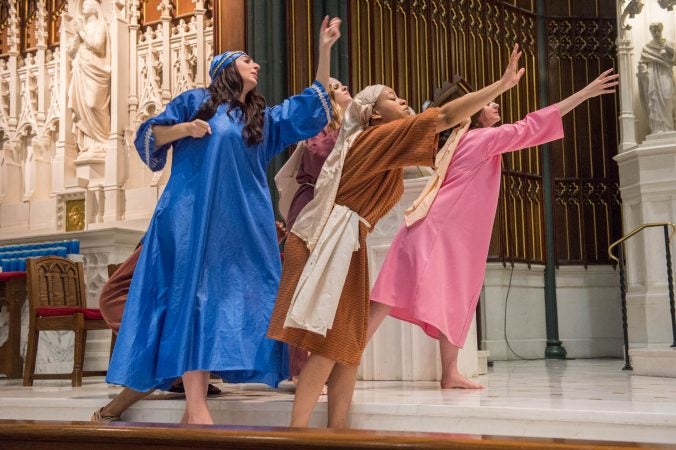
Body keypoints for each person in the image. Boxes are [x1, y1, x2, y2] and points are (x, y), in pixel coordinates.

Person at [268, 45, 527, 429]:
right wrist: (500, 85)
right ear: (373, 114)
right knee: (327, 344)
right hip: (328, 242)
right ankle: (298, 433)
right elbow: (445, 116)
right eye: (391, 97)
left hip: (345, 241)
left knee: (348, 346)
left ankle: (338, 430)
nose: (402, 99)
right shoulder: (375, 138)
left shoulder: (382, 144)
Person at [106, 17, 342, 425]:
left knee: (232, 301)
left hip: (240, 223)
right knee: (192, 301)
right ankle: (195, 408)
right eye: (248, 60)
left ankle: (203, 398)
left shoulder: (261, 119)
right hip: (190, 217)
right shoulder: (196, 101)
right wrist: (186, 128)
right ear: (225, 68)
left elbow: (313, 103)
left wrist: (324, 49)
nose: (257, 65)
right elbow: (148, 136)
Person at [369, 69, 619, 389]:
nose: (494, 106)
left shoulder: (462, 141)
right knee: (389, 296)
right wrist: (585, 92)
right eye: (488, 103)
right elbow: (533, 126)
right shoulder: (481, 139)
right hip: (437, 232)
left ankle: (449, 372)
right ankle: (343, 360)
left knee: (447, 297)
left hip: (442, 233)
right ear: (473, 113)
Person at [275, 78, 352, 383]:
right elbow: (320, 157)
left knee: (333, 288)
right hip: (311, 209)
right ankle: (300, 370)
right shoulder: (319, 128)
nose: (343, 86)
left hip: (339, 209)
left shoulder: (352, 125)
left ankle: (327, 364)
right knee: (303, 288)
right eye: (334, 86)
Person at [637, 22, 675, 133]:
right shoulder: (647, 47)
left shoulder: (669, 43)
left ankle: (669, 127)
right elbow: (643, 62)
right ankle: (657, 129)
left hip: (665, 73)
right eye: (654, 31)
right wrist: (642, 69)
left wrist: (670, 51)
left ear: (662, 30)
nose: (657, 33)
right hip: (652, 75)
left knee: (667, 97)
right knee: (655, 100)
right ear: (651, 32)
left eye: (658, 30)